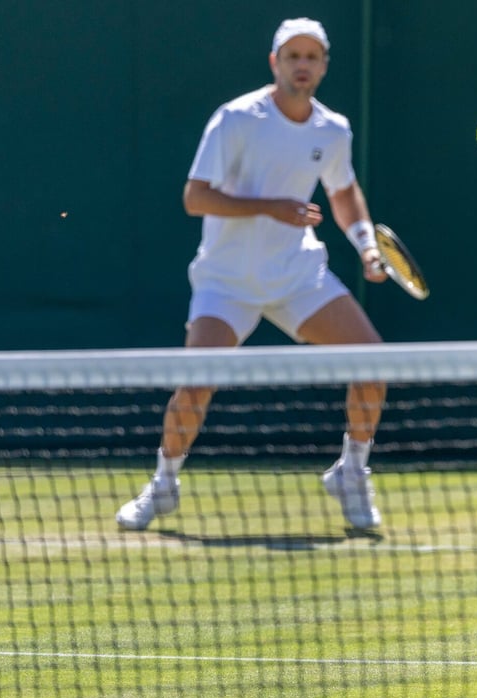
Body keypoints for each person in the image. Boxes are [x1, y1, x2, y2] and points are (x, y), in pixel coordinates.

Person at [116, 18, 392, 532]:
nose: (302, 65)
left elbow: (342, 191)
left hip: (297, 276)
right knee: (196, 386)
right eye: (293, 56)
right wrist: (271, 208)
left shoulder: (333, 129)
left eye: (312, 56)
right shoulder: (236, 119)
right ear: (275, 63)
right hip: (226, 281)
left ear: (324, 66)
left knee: (373, 364)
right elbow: (195, 197)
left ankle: (352, 473)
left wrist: (366, 247)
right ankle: (163, 484)